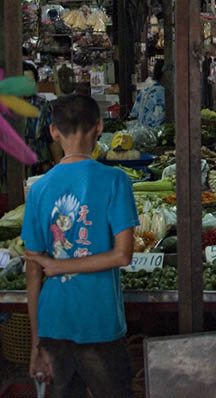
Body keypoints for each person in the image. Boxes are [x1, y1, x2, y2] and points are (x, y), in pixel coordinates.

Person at [22, 94, 139, 397]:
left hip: (53, 323)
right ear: (99, 127)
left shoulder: (38, 188)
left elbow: (32, 272)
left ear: (53, 132)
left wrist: (36, 343)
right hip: (99, 322)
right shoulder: (116, 180)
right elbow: (123, 254)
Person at [129, 59, 166, 128]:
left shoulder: (145, 90)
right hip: (158, 135)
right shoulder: (166, 94)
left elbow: (133, 115)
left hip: (141, 134)